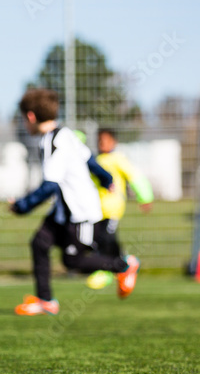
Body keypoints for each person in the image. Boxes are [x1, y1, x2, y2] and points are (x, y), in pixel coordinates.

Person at [9, 89, 138, 316]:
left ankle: (123, 265)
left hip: (78, 211)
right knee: (39, 243)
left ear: (30, 116)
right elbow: (89, 159)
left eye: (23, 119)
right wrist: (106, 178)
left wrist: (22, 206)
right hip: (63, 209)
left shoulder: (52, 142)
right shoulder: (67, 134)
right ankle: (46, 301)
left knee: (72, 261)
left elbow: (50, 185)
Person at [86, 128, 154, 289]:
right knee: (97, 239)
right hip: (96, 209)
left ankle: (115, 268)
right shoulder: (96, 160)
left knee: (107, 238)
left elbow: (134, 176)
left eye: (105, 140)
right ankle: (120, 266)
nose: (102, 143)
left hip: (112, 207)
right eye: (99, 140)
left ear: (114, 142)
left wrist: (145, 197)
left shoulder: (118, 159)